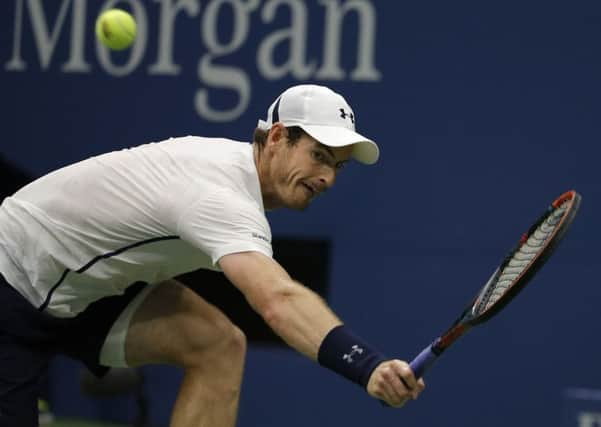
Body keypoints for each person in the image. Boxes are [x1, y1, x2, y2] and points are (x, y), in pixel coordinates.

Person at [0, 84, 425, 427]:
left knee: (217, 345)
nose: (328, 177)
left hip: (79, 286)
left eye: (337, 166)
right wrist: (368, 367)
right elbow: (278, 301)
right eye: (318, 156)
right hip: (11, 278)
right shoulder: (219, 197)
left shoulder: (231, 177)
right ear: (277, 137)